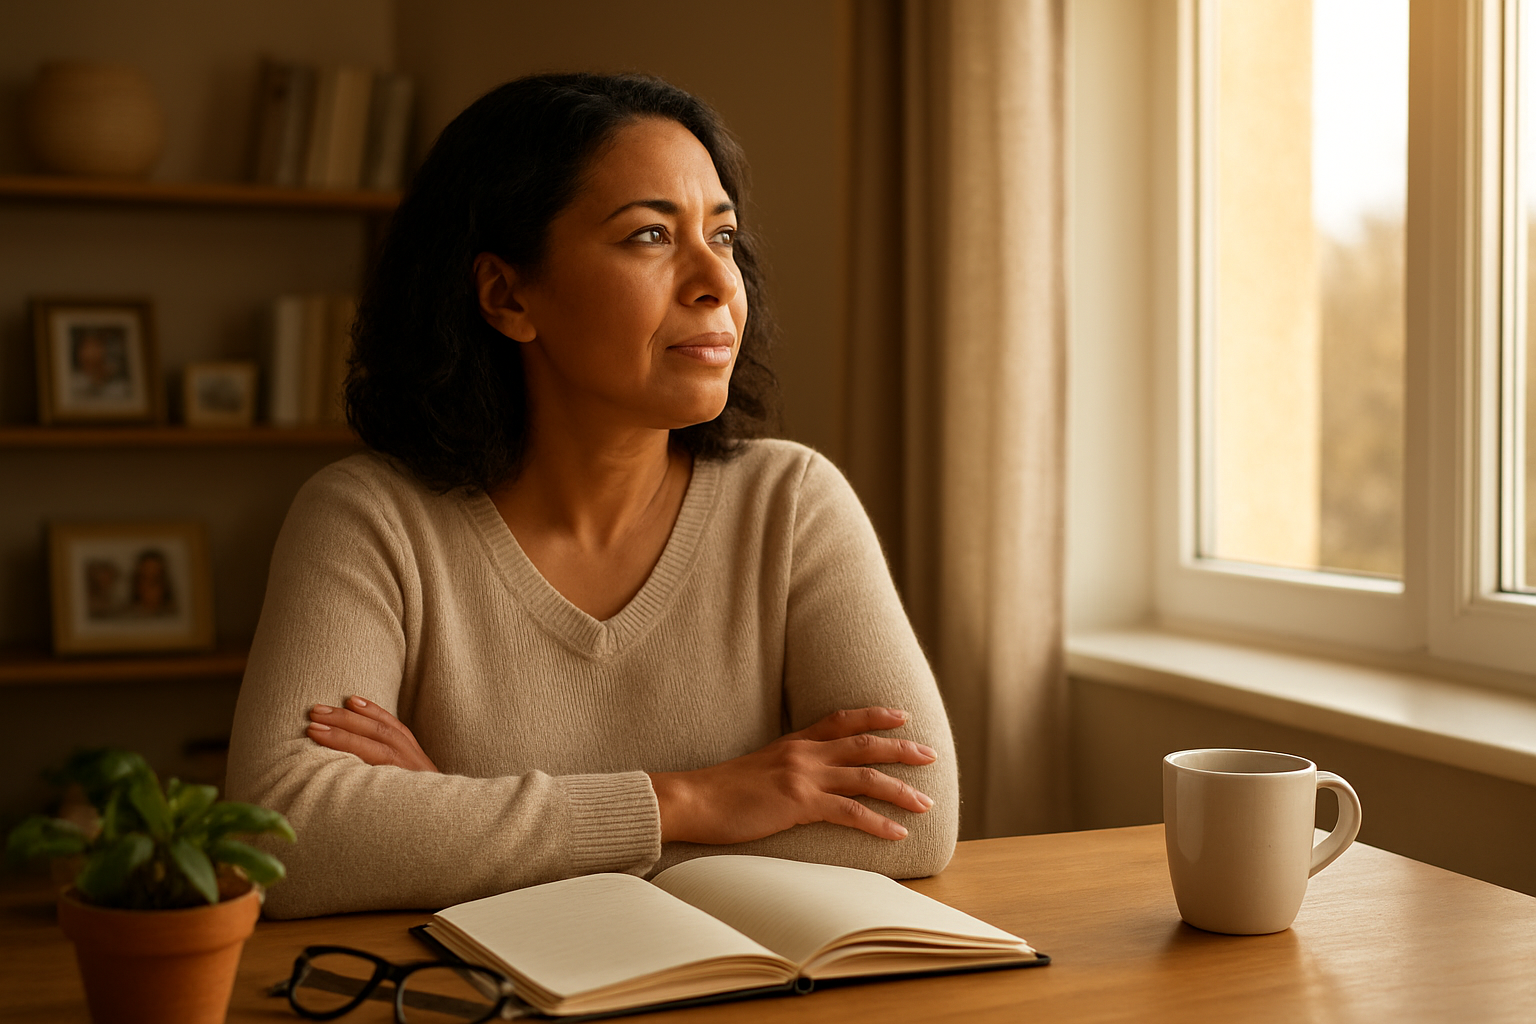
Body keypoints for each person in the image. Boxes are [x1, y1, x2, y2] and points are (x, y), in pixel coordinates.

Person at [226, 72, 958, 920]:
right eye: (650, 234)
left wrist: (460, 816)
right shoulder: (369, 518)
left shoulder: (791, 503)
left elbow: (911, 818)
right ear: (507, 295)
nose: (716, 284)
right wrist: (690, 801)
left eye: (722, 237)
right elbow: (281, 836)